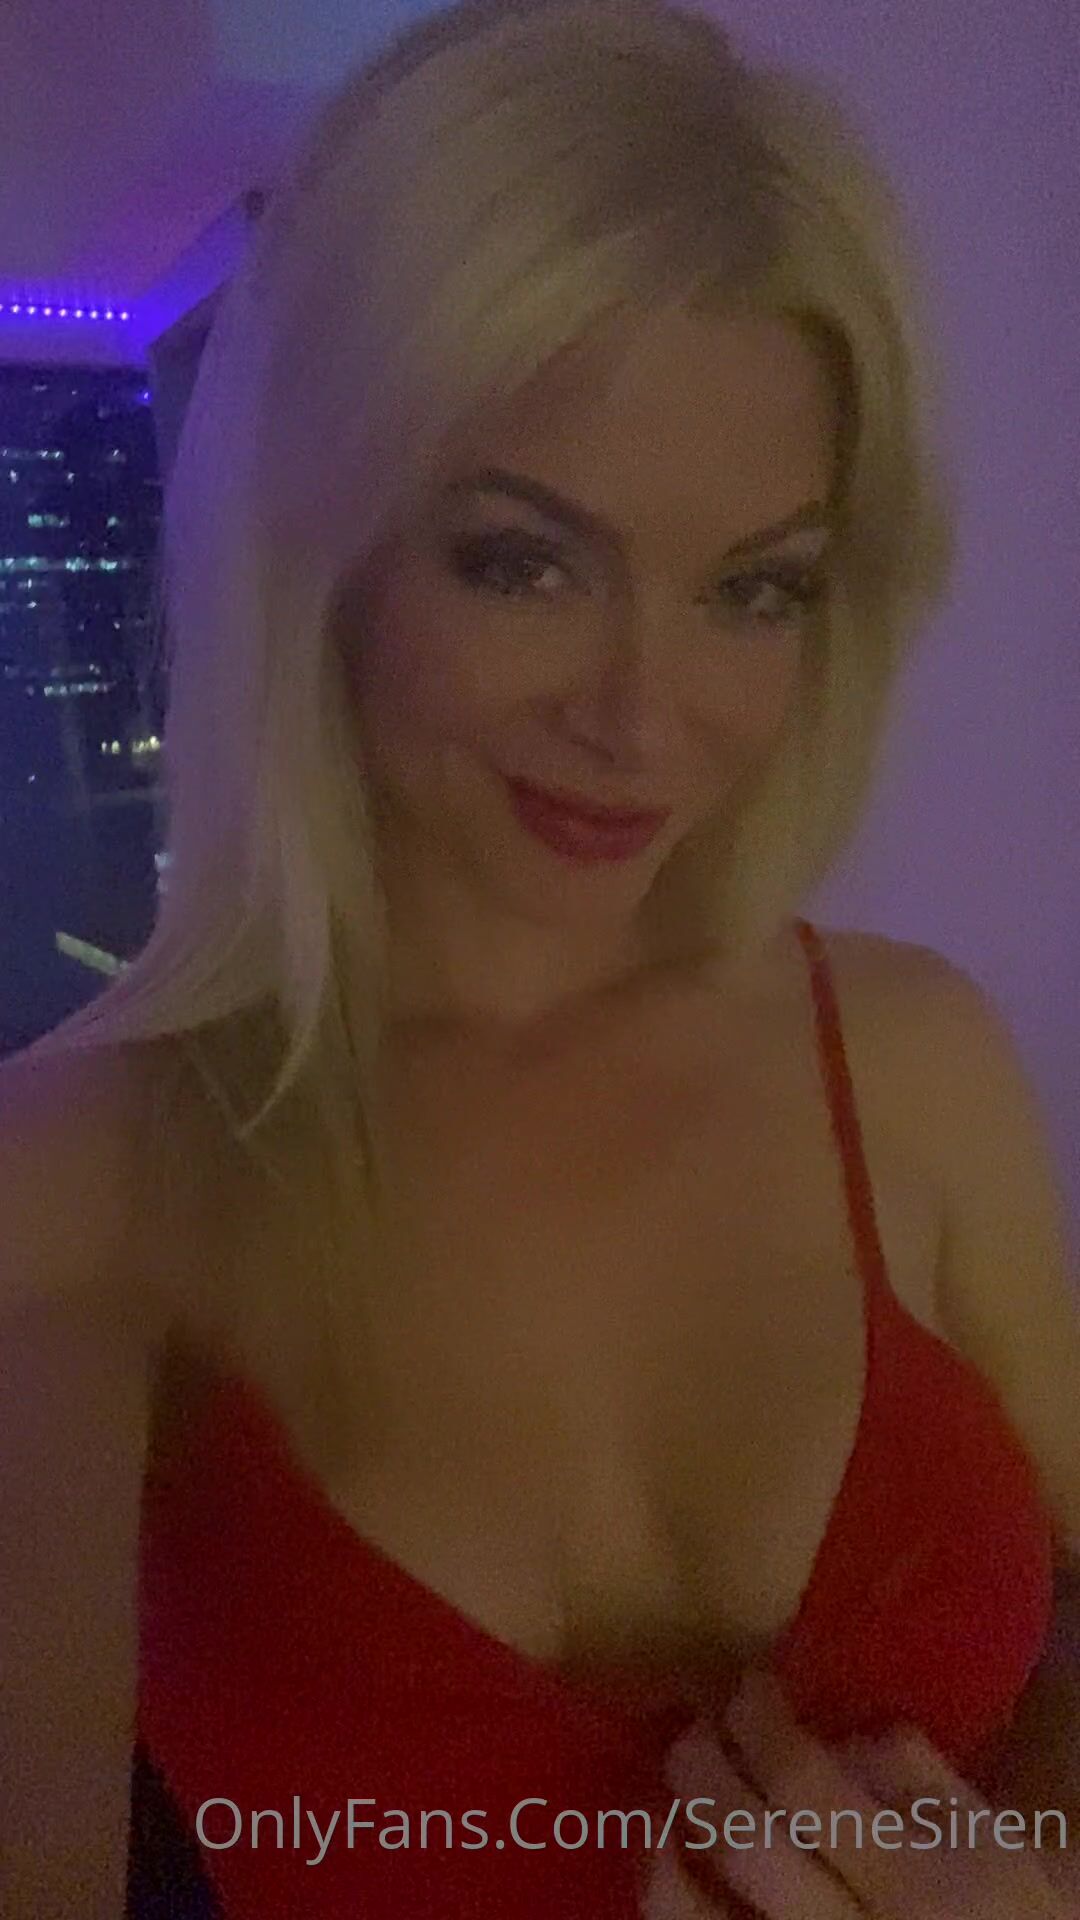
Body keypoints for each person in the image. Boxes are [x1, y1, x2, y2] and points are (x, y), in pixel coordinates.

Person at [1, 0, 1077, 1914]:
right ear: (319, 548)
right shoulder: (83, 1181)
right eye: (523, 561)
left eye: (756, 586)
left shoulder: (913, 1059)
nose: (647, 720)